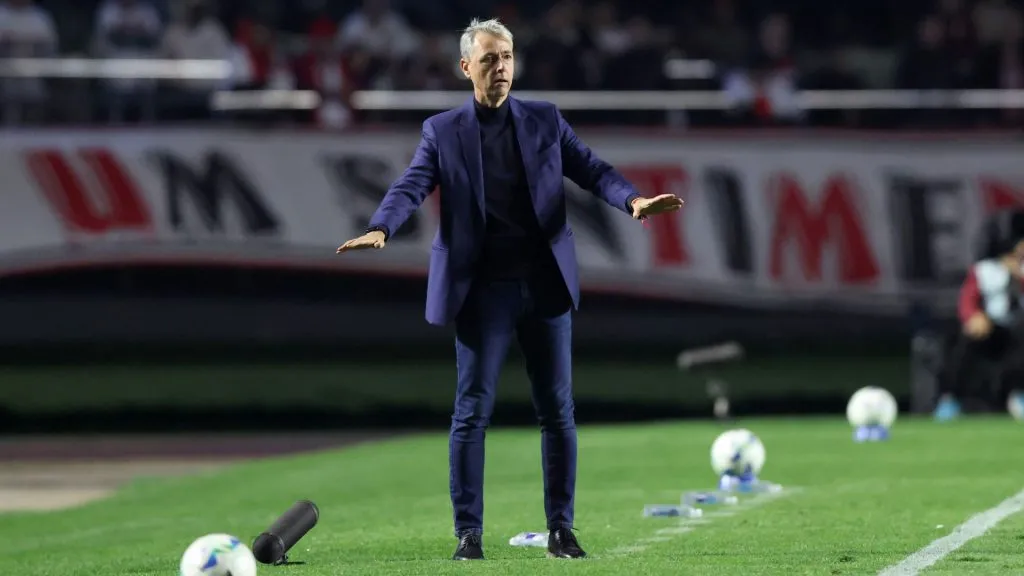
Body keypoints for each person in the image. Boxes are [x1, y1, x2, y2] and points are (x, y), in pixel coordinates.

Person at [336, 17, 683, 561]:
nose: (502, 67)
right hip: (483, 291)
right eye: (491, 58)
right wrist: (382, 226)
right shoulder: (443, 131)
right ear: (465, 67)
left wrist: (633, 202)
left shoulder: (543, 119)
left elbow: (592, 169)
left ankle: (561, 531)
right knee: (472, 411)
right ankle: (468, 535)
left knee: (558, 411)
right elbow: (411, 186)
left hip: (544, 286)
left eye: (508, 57)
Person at [935, 209, 1024, 420]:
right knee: (963, 344)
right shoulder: (984, 270)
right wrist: (973, 316)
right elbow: (967, 300)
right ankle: (950, 398)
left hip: (1019, 330)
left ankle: (1019, 394)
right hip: (991, 328)